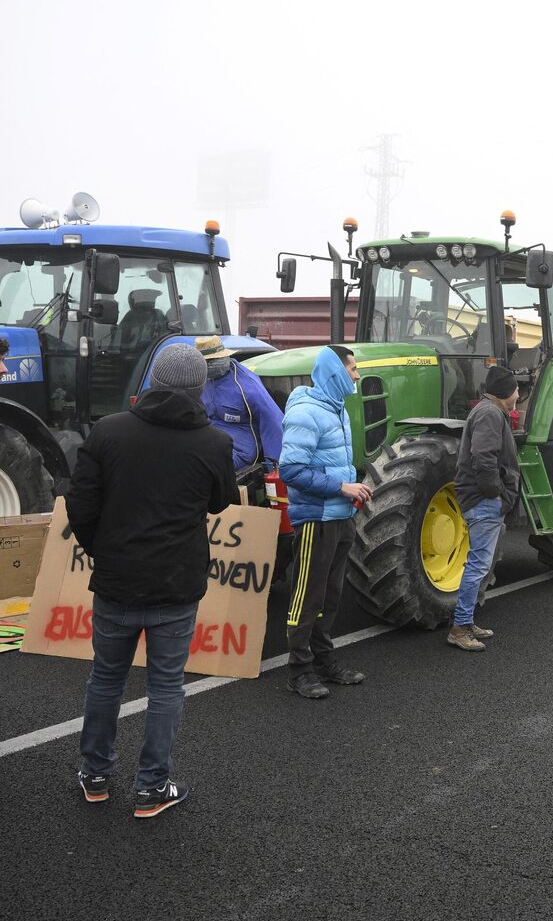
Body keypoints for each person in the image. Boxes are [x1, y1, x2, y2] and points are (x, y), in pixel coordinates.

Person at [67, 342, 238, 819]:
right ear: (199, 388)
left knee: (105, 678)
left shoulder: (108, 431)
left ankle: (95, 775)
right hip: (176, 583)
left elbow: (80, 506)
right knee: (166, 687)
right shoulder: (213, 442)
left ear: (152, 381)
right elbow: (222, 501)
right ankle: (151, 788)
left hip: (117, 580)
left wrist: (106, 551)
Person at [278, 345, 371, 699]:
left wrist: (352, 491)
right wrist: (342, 487)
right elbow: (291, 470)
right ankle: (299, 672)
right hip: (316, 520)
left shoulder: (337, 409)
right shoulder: (306, 412)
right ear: (335, 372)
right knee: (307, 596)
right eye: (352, 369)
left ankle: (323, 660)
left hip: (340, 517)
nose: (357, 375)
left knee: (330, 596)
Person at [449, 365, 521, 651]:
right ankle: (460, 627)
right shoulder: (491, 414)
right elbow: (483, 459)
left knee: (480, 564)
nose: (518, 393)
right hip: (484, 501)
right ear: (506, 393)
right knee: (478, 565)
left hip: (484, 501)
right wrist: (498, 495)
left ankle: (467, 622)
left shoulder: (488, 411)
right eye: (516, 389)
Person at [197, 336, 284, 472]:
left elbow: (273, 422)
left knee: (205, 468)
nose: (209, 365)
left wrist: (274, 468)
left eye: (213, 361)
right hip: (207, 443)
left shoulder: (247, 387)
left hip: (238, 450)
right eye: (206, 362)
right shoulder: (202, 381)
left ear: (224, 357)